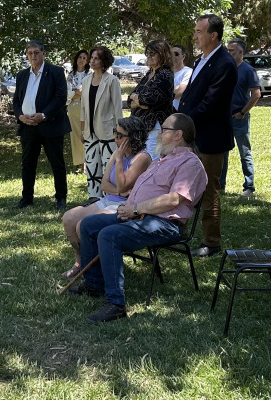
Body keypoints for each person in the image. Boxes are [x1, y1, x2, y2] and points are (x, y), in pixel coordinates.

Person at [68, 113, 208, 323]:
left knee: (108, 235)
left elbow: (173, 200)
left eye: (165, 130)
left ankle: (116, 304)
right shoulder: (164, 159)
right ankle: (94, 285)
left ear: (178, 134)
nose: (160, 133)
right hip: (138, 214)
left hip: (165, 222)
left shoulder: (190, 163)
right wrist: (129, 205)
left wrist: (135, 208)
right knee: (88, 224)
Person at [60, 116, 152, 278]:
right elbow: (104, 184)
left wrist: (118, 160)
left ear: (133, 137)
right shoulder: (118, 152)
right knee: (69, 218)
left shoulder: (142, 158)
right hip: (109, 200)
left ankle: (95, 271)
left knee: (83, 225)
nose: (115, 138)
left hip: (127, 206)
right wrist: (118, 191)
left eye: (120, 135)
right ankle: (81, 263)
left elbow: (122, 184)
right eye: (115, 132)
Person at [178, 14, 238, 257]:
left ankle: (211, 242)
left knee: (208, 190)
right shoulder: (203, 59)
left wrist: (184, 123)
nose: (195, 36)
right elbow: (193, 95)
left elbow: (210, 103)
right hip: (194, 135)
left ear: (214, 35)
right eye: (195, 31)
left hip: (210, 138)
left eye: (200, 31)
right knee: (185, 185)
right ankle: (178, 229)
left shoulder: (224, 63)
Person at [13, 41, 72, 210]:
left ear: (43, 53)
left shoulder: (55, 72)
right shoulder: (22, 75)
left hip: (51, 125)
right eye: (30, 53)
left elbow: (60, 97)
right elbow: (16, 101)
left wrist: (43, 115)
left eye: (36, 52)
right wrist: (21, 116)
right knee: (28, 163)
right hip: (28, 126)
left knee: (57, 163)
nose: (33, 56)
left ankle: (61, 197)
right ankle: (27, 197)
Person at [79, 45, 123, 200]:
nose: (92, 61)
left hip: (107, 132)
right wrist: (83, 130)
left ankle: (108, 198)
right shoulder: (85, 81)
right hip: (89, 132)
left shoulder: (111, 81)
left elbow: (118, 109)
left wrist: (120, 133)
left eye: (96, 58)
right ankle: (93, 198)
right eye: (91, 57)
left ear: (104, 60)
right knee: (91, 167)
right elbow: (83, 109)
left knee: (107, 167)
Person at [128, 39, 175, 159]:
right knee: (138, 161)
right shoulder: (149, 74)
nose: (149, 56)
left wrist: (139, 100)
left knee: (152, 161)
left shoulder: (165, 75)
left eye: (152, 53)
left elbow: (148, 99)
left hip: (155, 127)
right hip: (140, 127)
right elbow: (130, 99)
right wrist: (137, 101)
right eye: (147, 53)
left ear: (163, 54)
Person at [226, 38, 261, 197]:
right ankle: (219, 185)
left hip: (239, 118)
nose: (228, 53)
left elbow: (256, 94)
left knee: (244, 152)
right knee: (221, 153)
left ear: (241, 52)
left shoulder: (248, 70)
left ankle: (249, 187)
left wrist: (243, 112)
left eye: (231, 50)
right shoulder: (225, 69)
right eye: (227, 50)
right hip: (223, 118)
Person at [65, 50, 90, 171]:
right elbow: (67, 93)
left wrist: (77, 92)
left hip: (88, 107)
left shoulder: (90, 74)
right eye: (80, 57)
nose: (82, 60)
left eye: (85, 58)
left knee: (86, 132)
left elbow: (90, 91)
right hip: (74, 107)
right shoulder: (71, 75)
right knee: (76, 134)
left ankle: (89, 159)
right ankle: (81, 162)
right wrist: (77, 92)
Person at [171, 44, 193, 110]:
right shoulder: (166, 72)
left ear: (183, 56)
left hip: (177, 114)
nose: (173, 56)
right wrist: (175, 88)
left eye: (176, 54)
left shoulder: (188, 72)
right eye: (171, 54)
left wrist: (163, 91)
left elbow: (179, 93)